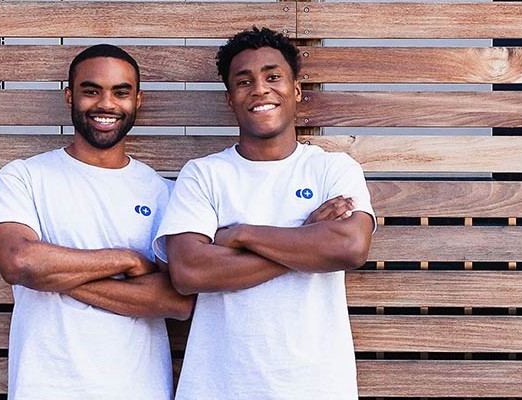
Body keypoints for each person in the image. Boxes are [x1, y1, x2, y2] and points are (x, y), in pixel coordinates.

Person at [154, 27, 375, 399]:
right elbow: (188, 271)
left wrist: (240, 234)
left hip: (314, 386)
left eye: (273, 77)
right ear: (230, 99)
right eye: (244, 81)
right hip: (218, 386)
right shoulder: (204, 174)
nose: (260, 89)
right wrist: (307, 240)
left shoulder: (333, 169)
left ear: (297, 91)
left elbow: (351, 247)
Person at [0, 44, 193, 400]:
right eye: (91, 91)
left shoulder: (163, 194)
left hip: (138, 390)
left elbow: (177, 300)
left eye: (120, 92)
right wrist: (125, 260)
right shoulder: (24, 177)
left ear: (137, 100)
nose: (106, 104)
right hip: (45, 387)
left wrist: (52, 275)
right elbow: (19, 262)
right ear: (69, 96)